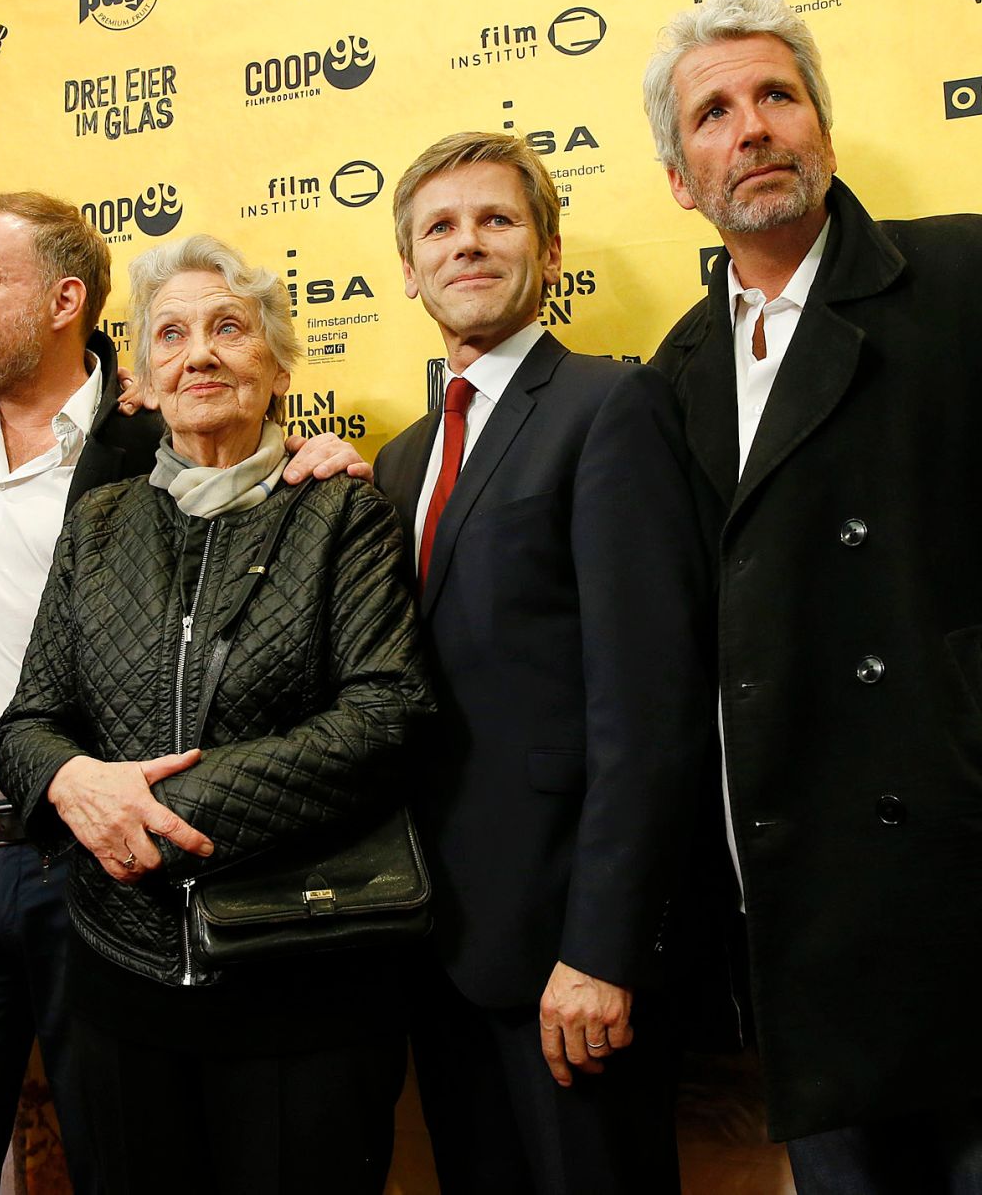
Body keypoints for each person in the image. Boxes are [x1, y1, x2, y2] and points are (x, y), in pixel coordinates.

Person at [644, 0, 982, 1191]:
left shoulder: (980, 276)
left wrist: (980, 726)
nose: (753, 128)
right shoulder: (675, 370)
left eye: (777, 95)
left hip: (980, 885)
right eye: (714, 113)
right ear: (680, 179)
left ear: (822, 130)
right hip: (805, 924)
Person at [0, 194, 369, 1193]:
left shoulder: (150, 443)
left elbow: (243, 473)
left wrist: (308, 454)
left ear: (63, 300)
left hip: (103, 860)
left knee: (123, 1159)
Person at [0, 233, 436, 1195]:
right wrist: (72, 781)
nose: (200, 354)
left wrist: (159, 810)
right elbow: (28, 723)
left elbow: (388, 716)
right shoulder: (99, 523)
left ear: (276, 364)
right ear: (143, 380)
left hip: (304, 983)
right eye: (173, 335)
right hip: (118, 988)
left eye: (229, 329)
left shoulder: (342, 513)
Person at [370, 132, 715, 1193]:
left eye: (496, 220)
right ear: (407, 268)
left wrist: (602, 948)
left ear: (549, 250)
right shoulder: (397, 458)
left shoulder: (610, 403)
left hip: (571, 961)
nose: (465, 244)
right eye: (439, 226)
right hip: (435, 946)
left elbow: (647, 703)